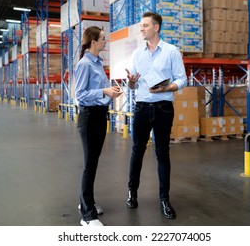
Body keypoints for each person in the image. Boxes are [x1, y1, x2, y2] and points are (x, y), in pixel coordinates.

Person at [125, 12, 187, 219]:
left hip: (163, 108)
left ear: (156, 27)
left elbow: (182, 79)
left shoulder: (171, 51)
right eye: (141, 26)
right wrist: (131, 82)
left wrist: (168, 87)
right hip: (142, 107)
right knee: (137, 152)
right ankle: (132, 193)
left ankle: (164, 199)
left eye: (144, 25)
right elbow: (132, 85)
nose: (141, 29)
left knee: (163, 154)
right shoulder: (136, 54)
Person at [75, 26, 122, 226]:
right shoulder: (85, 64)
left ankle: (87, 201)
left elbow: (99, 90)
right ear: (93, 42)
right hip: (89, 117)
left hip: (100, 115)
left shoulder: (98, 63)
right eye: (103, 39)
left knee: (93, 162)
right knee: (89, 165)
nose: (105, 42)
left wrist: (111, 91)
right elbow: (80, 95)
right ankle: (87, 215)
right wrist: (103, 91)